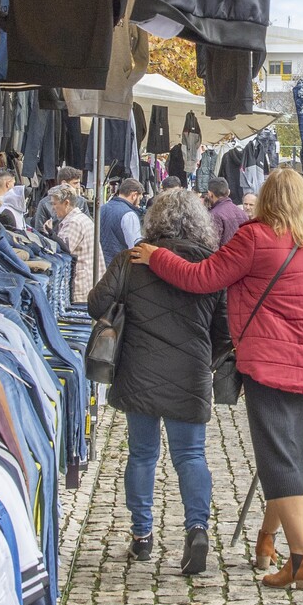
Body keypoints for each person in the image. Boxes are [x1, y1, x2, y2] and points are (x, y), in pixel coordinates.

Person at [131, 167, 303, 589]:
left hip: (270, 363)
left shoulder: (255, 237)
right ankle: (266, 542)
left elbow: (202, 277)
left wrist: (157, 256)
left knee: (277, 460)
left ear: (266, 198)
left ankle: (302, 560)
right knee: (291, 457)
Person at [90, 188, 226, 575]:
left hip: (139, 370)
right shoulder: (212, 265)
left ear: (153, 220)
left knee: (143, 454)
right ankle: (197, 529)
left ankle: (142, 536)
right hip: (191, 371)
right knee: (191, 455)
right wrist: (207, 357)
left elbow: (97, 305)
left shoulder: (132, 259)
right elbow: (226, 327)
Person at [49, 184, 99, 294]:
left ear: (66, 203)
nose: (52, 207)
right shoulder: (80, 219)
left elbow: (61, 251)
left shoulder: (73, 223)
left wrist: (49, 234)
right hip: (86, 281)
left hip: (81, 284)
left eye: (54, 204)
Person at [98, 176, 145, 266]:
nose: (139, 202)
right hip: (118, 266)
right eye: (139, 198)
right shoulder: (129, 215)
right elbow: (135, 247)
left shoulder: (102, 209)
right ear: (134, 195)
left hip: (100, 263)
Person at [205, 178, 248, 248]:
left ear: (210, 194)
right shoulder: (242, 213)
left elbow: (212, 245)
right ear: (228, 192)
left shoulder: (214, 215)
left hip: (223, 256)